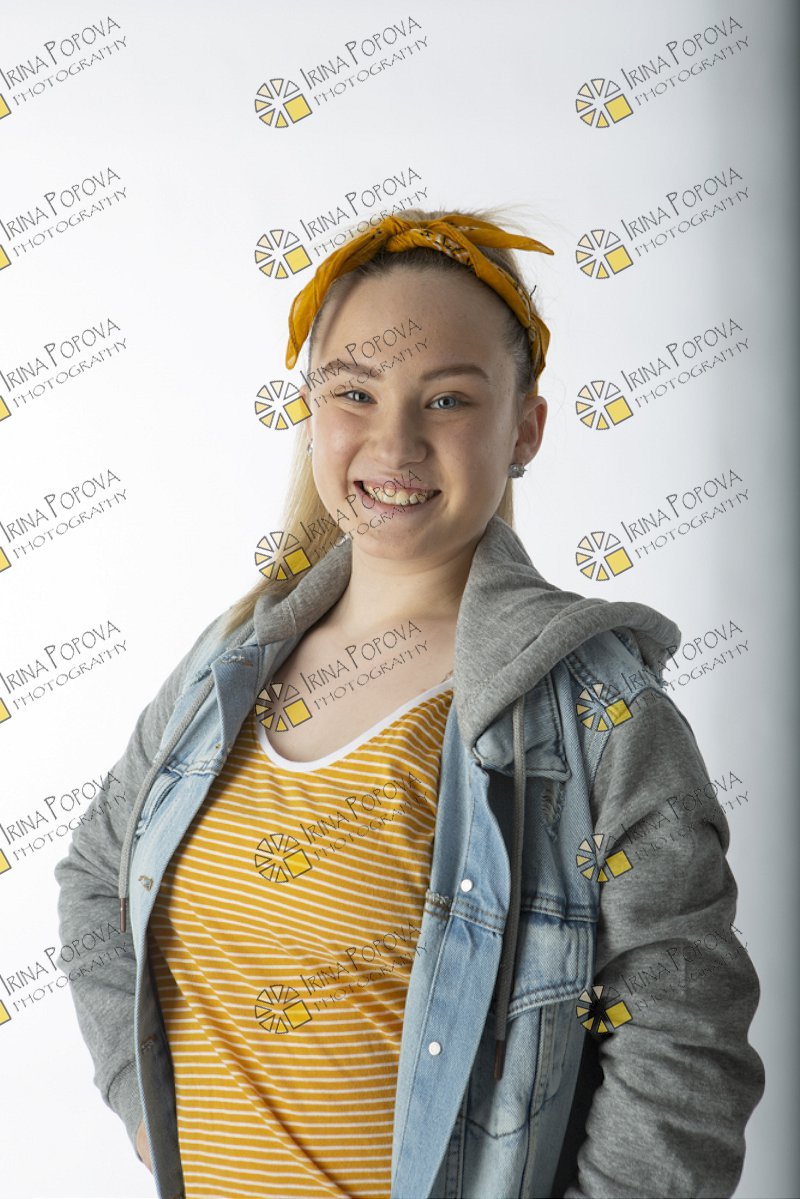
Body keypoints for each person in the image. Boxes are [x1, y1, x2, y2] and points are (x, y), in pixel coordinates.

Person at [54, 208, 764, 1199]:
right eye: (354, 391)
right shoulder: (230, 661)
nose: (394, 440)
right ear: (310, 411)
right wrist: (143, 1104)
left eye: (446, 399)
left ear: (524, 429)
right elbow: (96, 874)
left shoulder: (598, 710)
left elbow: (680, 1048)